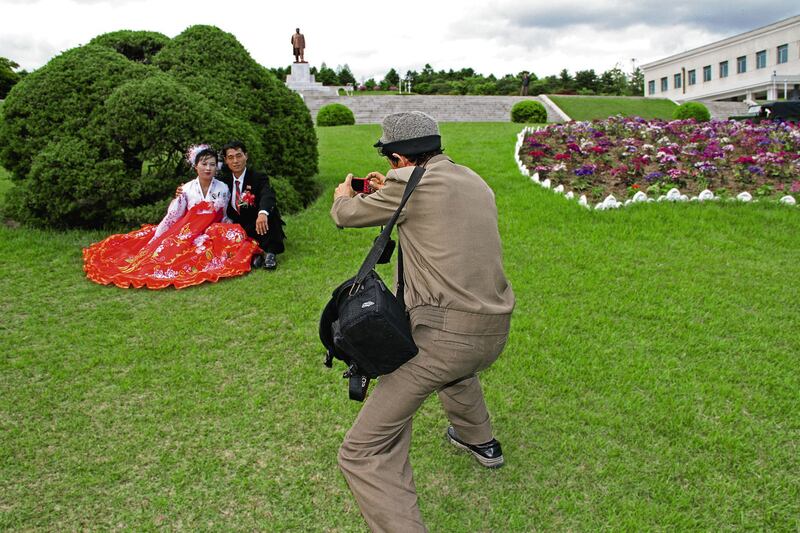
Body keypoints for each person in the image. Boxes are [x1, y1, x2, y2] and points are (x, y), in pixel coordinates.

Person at [330, 111, 515, 531]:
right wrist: (392, 186)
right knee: (456, 369)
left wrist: (345, 194)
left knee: (363, 451)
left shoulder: (407, 186)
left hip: (445, 338)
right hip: (493, 331)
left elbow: (345, 215)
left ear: (397, 158)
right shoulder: (473, 180)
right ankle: (480, 441)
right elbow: (430, 208)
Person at [83, 145, 261, 289]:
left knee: (233, 235)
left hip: (212, 229)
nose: (208, 168)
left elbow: (224, 215)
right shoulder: (186, 189)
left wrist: (224, 232)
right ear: (195, 166)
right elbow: (173, 216)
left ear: (217, 167)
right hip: (188, 230)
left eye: (212, 164)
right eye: (204, 164)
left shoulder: (222, 188)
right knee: (168, 253)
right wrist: (158, 236)